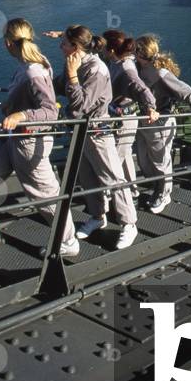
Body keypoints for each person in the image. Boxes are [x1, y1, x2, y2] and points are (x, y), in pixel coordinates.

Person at [0, 18, 79, 259]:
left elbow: (49, 111)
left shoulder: (33, 70)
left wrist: (20, 114)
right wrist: (11, 104)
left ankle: (68, 241)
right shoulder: (28, 65)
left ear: (7, 43)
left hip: (29, 143)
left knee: (45, 198)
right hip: (15, 139)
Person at [55, 27, 138, 250]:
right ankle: (97, 215)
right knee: (86, 176)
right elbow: (60, 85)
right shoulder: (73, 62)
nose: (60, 46)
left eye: (63, 43)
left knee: (112, 177)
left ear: (75, 46)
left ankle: (129, 223)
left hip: (97, 131)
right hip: (79, 132)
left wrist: (72, 77)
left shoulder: (96, 69)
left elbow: (81, 105)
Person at [135, 35, 191, 214]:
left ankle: (164, 193)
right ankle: (158, 187)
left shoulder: (161, 73)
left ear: (140, 53)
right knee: (143, 159)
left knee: (161, 162)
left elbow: (185, 92)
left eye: (135, 49)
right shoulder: (138, 68)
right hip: (144, 121)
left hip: (161, 122)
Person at [102, 29, 159, 197]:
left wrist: (151, 107)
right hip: (120, 117)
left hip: (125, 120)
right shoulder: (116, 60)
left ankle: (108, 196)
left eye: (104, 47)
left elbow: (142, 88)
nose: (101, 49)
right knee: (125, 155)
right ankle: (132, 191)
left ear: (111, 50)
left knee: (115, 160)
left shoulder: (126, 67)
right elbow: (95, 45)